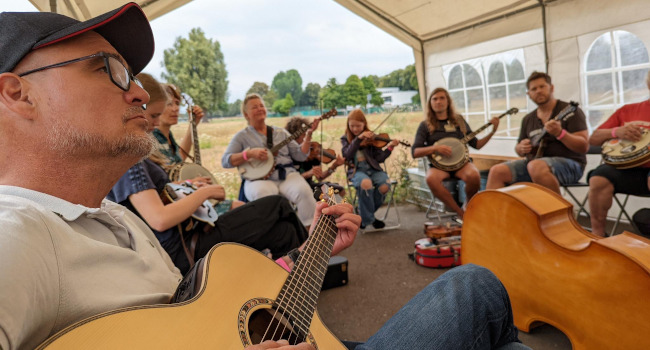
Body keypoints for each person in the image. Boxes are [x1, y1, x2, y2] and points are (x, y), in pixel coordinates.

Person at [0, 4, 527, 350]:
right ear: (15, 93)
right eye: (106, 69)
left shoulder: (114, 217)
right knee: (474, 290)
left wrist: (311, 254)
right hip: (255, 186)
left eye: (133, 76)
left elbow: (201, 316)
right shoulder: (18, 234)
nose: (138, 93)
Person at [107, 73, 307, 275]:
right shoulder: (130, 160)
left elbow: (164, 192)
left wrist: (189, 186)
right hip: (185, 247)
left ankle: (292, 284)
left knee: (284, 232)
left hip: (193, 230)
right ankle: (311, 260)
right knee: (277, 204)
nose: (157, 123)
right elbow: (159, 219)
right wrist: (206, 191)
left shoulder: (135, 156)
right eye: (153, 116)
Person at [221, 93, 318, 227]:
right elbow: (225, 161)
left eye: (262, 105)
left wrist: (308, 136)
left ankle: (309, 233)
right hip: (258, 179)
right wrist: (249, 154)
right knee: (264, 195)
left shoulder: (280, 132)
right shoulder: (242, 137)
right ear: (246, 115)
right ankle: (275, 237)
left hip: (286, 175)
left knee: (303, 191)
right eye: (255, 107)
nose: (260, 108)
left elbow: (300, 155)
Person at [486, 71, 589, 194]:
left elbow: (584, 146)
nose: (538, 91)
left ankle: (558, 212)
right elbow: (519, 151)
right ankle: (495, 213)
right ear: (528, 94)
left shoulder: (570, 111)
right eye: (534, 89)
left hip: (570, 165)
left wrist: (561, 134)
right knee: (497, 171)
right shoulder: (528, 119)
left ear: (552, 88)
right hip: (533, 165)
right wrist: (521, 148)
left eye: (542, 86)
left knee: (536, 166)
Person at [412, 88, 499, 219]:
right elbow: (415, 152)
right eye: (434, 99)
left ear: (448, 102)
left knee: (474, 175)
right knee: (431, 179)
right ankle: (459, 212)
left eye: (442, 98)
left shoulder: (459, 121)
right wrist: (435, 148)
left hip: (462, 164)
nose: (438, 102)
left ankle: (468, 203)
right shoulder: (425, 125)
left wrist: (492, 131)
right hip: (438, 167)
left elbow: (477, 145)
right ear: (430, 103)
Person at [587, 70, 650, 237]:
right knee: (598, 178)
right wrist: (616, 132)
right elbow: (593, 139)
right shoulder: (628, 110)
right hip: (627, 169)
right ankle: (598, 236)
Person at [341, 109, 400, 229]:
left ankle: (363, 214)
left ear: (364, 124)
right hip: (357, 171)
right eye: (352, 126)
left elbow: (380, 158)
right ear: (348, 125)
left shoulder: (371, 137)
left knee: (385, 186)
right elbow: (347, 154)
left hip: (373, 169)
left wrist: (390, 148)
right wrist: (357, 139)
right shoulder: (345, 139)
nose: (355, 129)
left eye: (358, 126)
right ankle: (369, 219)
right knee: (366, 184)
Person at [285, 116, 346, 196]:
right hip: (294, 189)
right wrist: (308, 174)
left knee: (339, 191)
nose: (307, 138)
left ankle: (328, 207)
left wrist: (334, 166)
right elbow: (288, 180)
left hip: (310, 186)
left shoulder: (312, 152)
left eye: (308, 134)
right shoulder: (286, 153)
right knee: (323, 197)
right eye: (304, 135)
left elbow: (320, 177)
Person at [154, 82, 205, 165]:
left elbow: (179, 160)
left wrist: (193, 124)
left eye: (177, 103)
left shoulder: (168, 135)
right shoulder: (152, 139)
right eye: (169, 104)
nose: (175, 109)